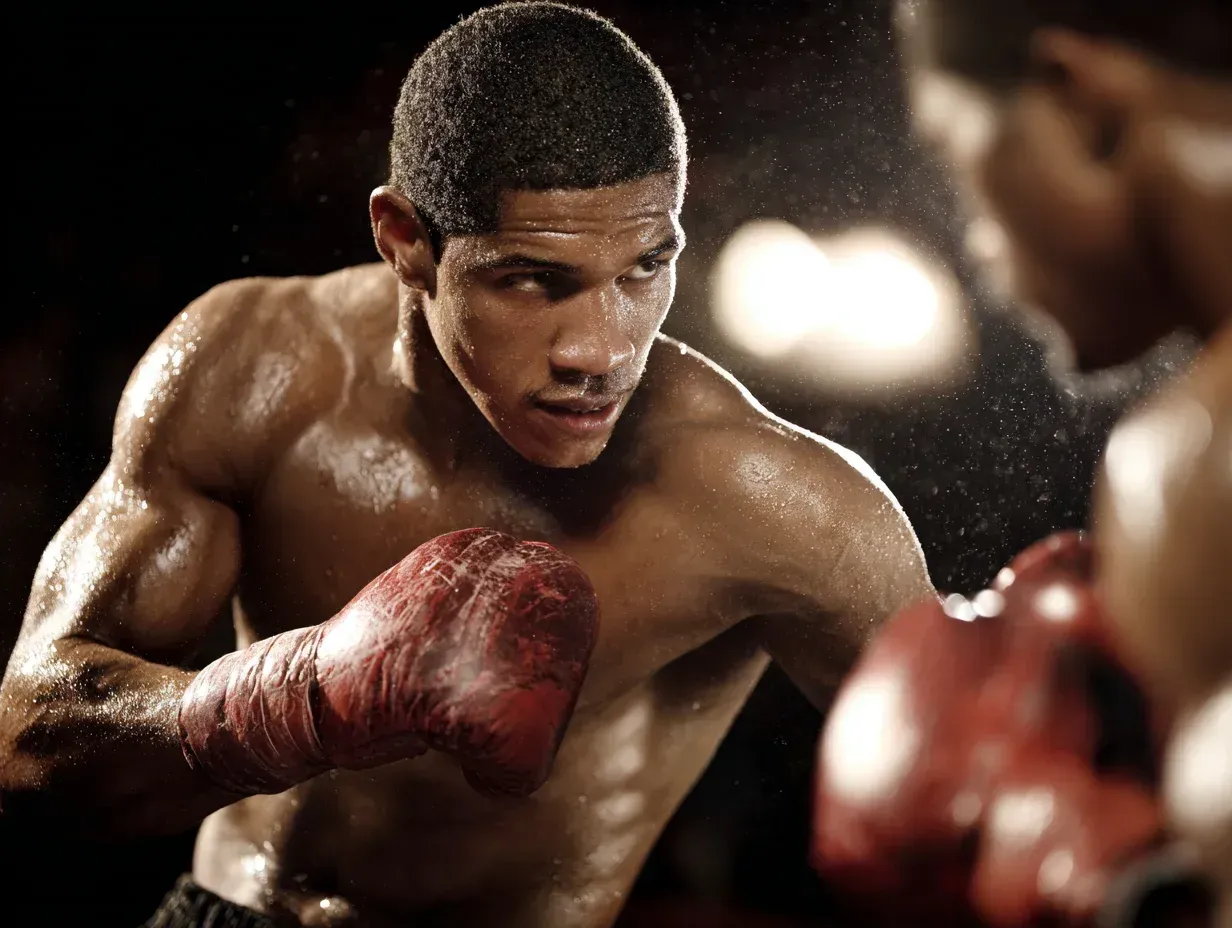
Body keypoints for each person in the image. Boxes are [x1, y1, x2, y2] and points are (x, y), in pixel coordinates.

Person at [0, 5, 934, 927]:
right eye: (535, 278)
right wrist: (306, 699)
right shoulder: (252, 369)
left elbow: (964, 805)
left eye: (646, 267)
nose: (601, 350)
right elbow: (30, 751)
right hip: (222, 910)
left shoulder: (774, 500)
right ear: (407, 241)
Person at [813, 0, 1231, 924]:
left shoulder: (1199, 464)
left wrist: (1107, 892)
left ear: (1078, 100)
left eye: (962, 157)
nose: (979, 239)